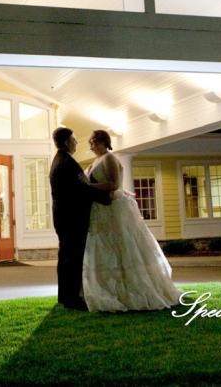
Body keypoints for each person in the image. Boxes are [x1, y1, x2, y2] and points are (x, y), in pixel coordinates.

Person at [82, 129, 182, 312]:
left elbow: (113, 184)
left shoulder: (109, 158)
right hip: (98, 210)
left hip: (113, 211)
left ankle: (132, 292)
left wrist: (88, 185)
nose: (89, 144)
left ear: (102, 141)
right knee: (103, 248)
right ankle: (106, 289)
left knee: (122, 246)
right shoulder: (95, 161)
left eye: (92, 141)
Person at [49, 126, 111, 310]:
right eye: (74, 139)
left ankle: (65, 296)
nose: (77, 142)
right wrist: (108, 198)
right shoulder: (67, 163)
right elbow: (81, 189)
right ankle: (72, 298)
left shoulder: (60, 160)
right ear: (68, 142)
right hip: (72, 218)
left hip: (63, 217)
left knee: (66, 257)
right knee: (73, 258)